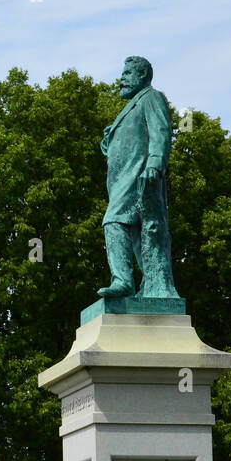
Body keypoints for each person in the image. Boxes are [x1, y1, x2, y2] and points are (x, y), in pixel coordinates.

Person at [98, 56, 178, 300]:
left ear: (142, 75)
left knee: (114, 221)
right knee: (138, 233)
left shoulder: (151, 98)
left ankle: (122, 281)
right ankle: (153, 285)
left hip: (138, 175)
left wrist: (155, 163)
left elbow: (161, 131)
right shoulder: (132, 105)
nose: (121, 79)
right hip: (122, 180)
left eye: (127, 74)